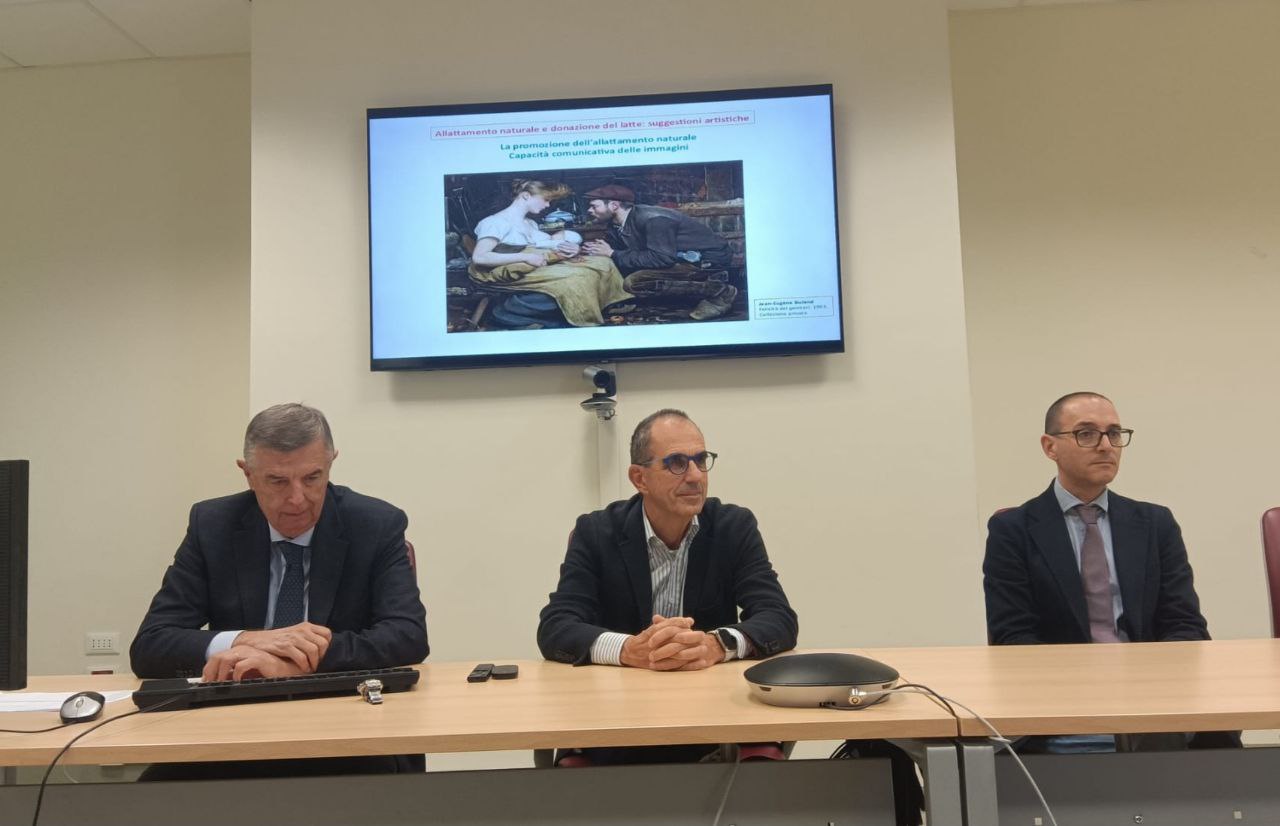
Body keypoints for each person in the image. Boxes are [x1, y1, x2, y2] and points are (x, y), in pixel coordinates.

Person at [130, 403, 428, 777]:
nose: (297, 499)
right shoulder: (212, 525)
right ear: (248, 474)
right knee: (148, 796)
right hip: (231, 729)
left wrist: (293, 663)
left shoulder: (375, 524)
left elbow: (406, 636)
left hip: (346, 727)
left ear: (331, 463)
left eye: (312, 478)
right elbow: (151, 645)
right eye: (278, 481)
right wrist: (247, 641)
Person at [537, 408, 797, 765]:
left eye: (701, 460)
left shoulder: (733, 527)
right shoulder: (596, 533)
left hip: (714, 720)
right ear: (639, 478)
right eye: (677, 463)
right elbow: (556, 627)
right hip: (617, 722)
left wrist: (715, 645)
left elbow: (778, 618)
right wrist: (630, 650)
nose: (695, 476)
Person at [983, 391, 1235, 751]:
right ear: (1050, 447)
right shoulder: (1014, 531)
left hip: (1152, 699)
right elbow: (1013, 639)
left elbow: (1186, 626)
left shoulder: (1154, 523)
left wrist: (1148, 686)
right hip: (1060, 702)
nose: (1106, 446)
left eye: (1114, 433)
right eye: (1086, 433)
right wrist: (1088, 685)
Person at [468, 180, 631, 329]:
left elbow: (546, 244)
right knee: (577, 278)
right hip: (502, 270)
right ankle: (508, 311)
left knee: (602, 262)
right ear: (526, 196)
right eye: (546, 200)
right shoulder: (495, 222)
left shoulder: (529, 223)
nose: (547, 205)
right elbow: (480, 257)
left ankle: (609, 304)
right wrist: (526, 257)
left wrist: (572, 248)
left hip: (530, 264)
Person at [581, 184, 739, 321]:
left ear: (614, 205)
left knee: (635, 282)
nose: (590, 210)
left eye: (594, 206)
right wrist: (587, 249)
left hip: (706, 259)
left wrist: (612, 254)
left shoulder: (654, 219)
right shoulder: (616, 224)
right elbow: (616, 249)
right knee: (622, 266)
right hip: (678, 258)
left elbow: (662, 258)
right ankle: (623, 300)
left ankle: (719, 292)